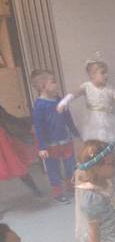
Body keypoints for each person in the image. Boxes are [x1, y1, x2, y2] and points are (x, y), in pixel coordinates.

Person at [57, 58, 115, 185]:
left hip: (108, 122)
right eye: (102, 72)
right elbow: (74, 94)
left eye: (106, 72)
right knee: (94, 148)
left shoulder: (110, 89)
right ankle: (95, 175)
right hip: (93, 123)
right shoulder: (86, 86)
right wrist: (64, 102)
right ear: (92, 75)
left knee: (111, 148)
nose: (106, 75)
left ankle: (113, 175)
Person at [30, 69, 80, 203]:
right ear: (42, 86)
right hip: (50, 144)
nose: (56, 84)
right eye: (52, 81)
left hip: (65, 140)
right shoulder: (39, 105)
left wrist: (75, 132)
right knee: (54, 168)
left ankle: (70, 186)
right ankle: (57, 192)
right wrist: (42, 147)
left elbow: (68, 117)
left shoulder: (59, 100)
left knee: (70, 164)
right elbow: (38, 127)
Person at [0, 104, 43, 199]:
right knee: (17, 166)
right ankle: (36, 191)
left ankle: (36, 190)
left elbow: (8, 118)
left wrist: (26, 124)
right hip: (4, 140)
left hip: (4, 141)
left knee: (17, 166)